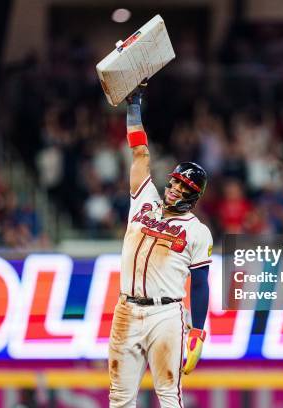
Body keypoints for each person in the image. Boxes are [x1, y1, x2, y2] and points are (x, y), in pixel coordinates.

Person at [108, 83, 212, 407]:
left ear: (193, 196)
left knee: (168, 393)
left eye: (184, 187)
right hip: (126, 307)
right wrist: (134, 106)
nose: (175, 188)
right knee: (120, 398)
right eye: (176, 181)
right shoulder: (145, 200)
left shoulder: (198, 231)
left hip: (166, 313)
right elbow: (140, 152)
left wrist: (198, 329)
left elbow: (200, 284)